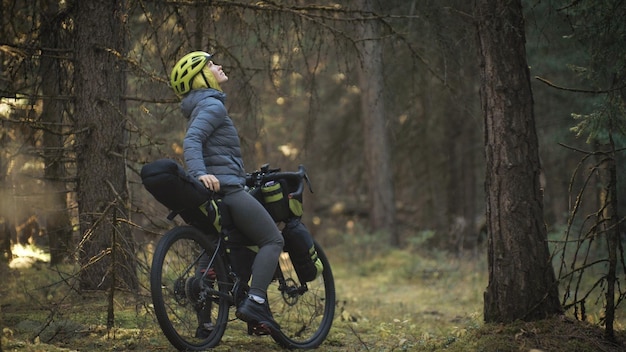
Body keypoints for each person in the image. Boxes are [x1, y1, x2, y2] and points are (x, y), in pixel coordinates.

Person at [169, 51, 284, 334]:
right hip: (228, 191)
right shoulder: (212, 105)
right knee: (272, 239)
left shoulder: (199, 106)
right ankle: (255, 302)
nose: (218, 66)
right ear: (200, 77)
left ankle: (206, 326)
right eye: (210, 64)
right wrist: (200, 174)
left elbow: (212, 148)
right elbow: (193, 141)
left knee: (212, 256)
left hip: (216, 192)